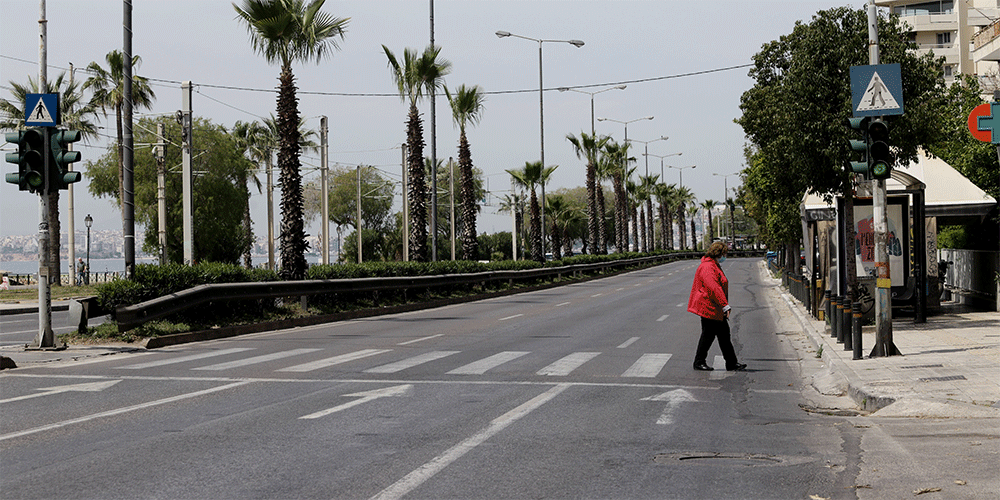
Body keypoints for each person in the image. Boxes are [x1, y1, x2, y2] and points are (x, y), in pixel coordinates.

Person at [687, 241, 746, 372]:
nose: (725, 256)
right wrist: (725, 305)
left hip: (715, 307)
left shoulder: (713, 265)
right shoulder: (708, 267)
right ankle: (699, 362)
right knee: (708, 336)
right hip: (709, 307)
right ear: (719, 253)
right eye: (724, 254)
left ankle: (731, 363)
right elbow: (713, 287)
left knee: (724, 335)